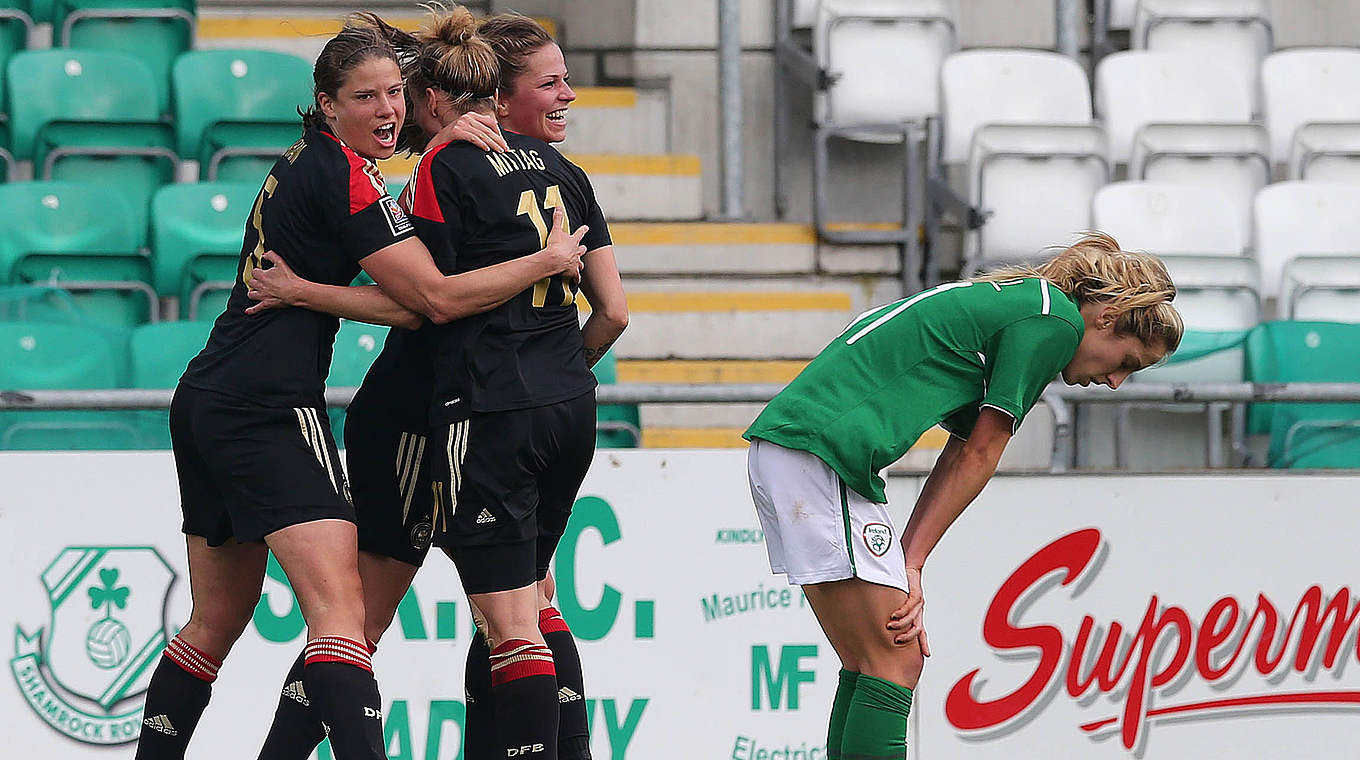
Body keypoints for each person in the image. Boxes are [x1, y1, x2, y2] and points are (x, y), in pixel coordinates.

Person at [136, 14, 587, 760]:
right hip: (272, 407)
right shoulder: (345, 173)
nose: (387, 110)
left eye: (393, 95)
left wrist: (430, 160)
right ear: (326, 103)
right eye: (367, 97)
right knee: (347, 620)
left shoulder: (318, 162)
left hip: (210, 398)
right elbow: (428, 301)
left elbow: (397, 249)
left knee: (215, 621)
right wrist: (543, 262)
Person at [246, 10, 626, 760]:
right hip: (422, 422)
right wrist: (551, 376)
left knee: (501, 611)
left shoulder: (448, 170)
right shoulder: (474, 172)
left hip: (474, 413)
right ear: (496, 95)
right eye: (549, 83)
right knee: (407, 617)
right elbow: (431, 302)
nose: (567, 97)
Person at [742, 233, 1183, 760]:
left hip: (802, 449)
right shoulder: (1056, 323)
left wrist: (910, 560)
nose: (1115, 382)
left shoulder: (1028, 303)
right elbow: (981, 454)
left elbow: (961, 449)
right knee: (894, 660)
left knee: (872, 659)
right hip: (820, 452)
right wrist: (913, 562)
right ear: (1107, 318)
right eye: (1126, 362)